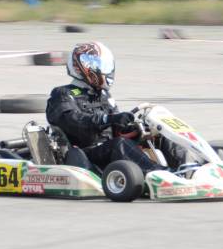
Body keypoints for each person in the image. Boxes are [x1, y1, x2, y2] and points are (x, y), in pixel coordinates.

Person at [46, 41, 166, 173]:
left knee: (161, 135)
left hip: (109, 149)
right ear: (86, 66)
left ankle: (182, 170)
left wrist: (137, 128)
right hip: (85, 154)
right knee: (119, 144)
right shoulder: (63, 93)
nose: (107, 71)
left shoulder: (102, 95)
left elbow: (117, 129)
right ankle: (159, 173)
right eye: (102, 66)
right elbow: (73, 122)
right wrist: (106, 119)